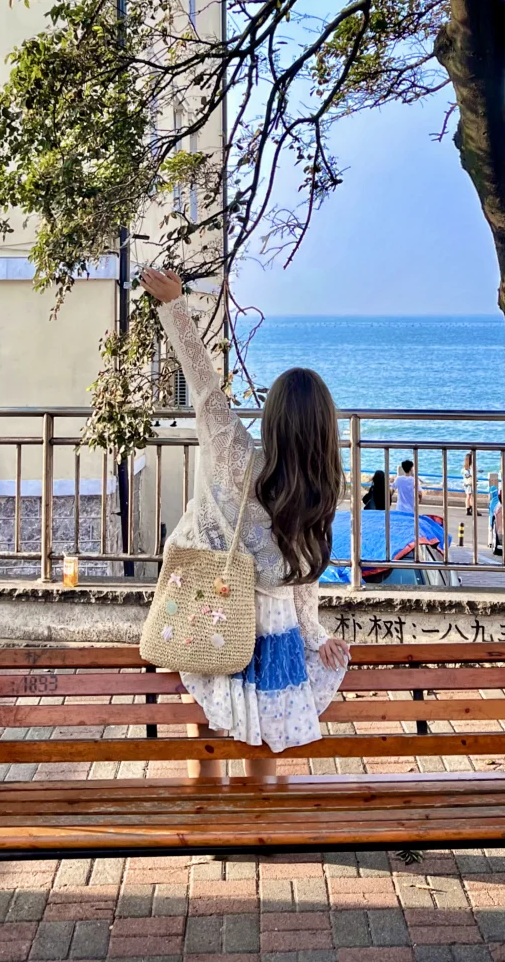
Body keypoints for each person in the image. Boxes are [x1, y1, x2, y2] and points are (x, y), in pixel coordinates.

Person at [140, 267, 351, 779]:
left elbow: (205, 388)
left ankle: (213, 827)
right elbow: (305, 581)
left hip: (214, 611)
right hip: (276, 634)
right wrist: (315, 635)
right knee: (266, 746)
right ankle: (259, 831)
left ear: (272, 418)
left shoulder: (238, 458)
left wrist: (174, 307)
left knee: (209, 737)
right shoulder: (323, 491)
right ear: (326, 429)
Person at [462, 452, 475, 517]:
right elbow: (472, 474)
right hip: (470, 483)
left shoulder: (464, 468)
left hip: (465, 483)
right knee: (469, 496)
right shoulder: (470, 468)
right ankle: (470, 509)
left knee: (468, 496)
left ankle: (468, 508)